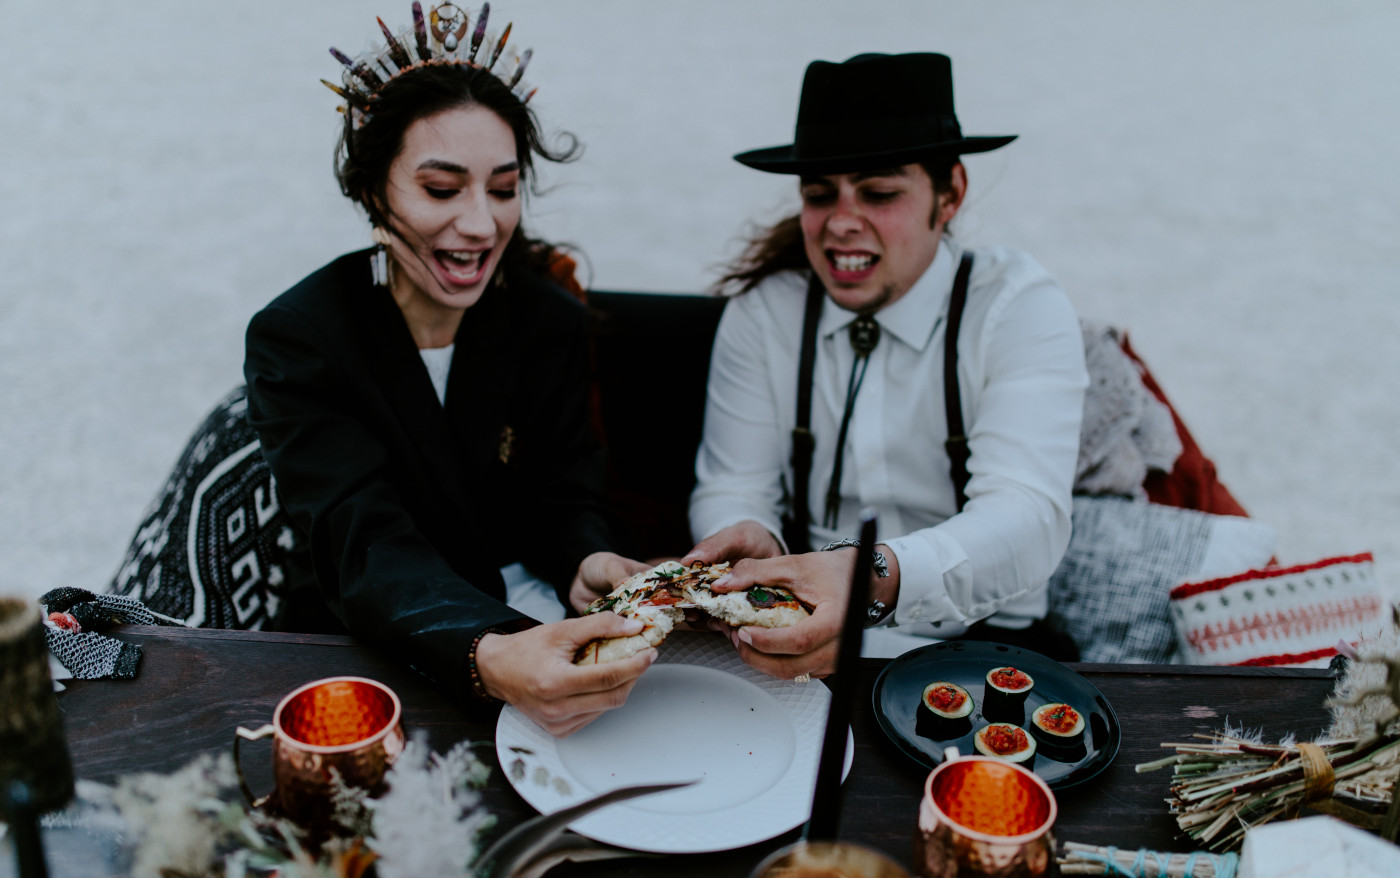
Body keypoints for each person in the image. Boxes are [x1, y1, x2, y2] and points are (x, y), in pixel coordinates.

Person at [244, 4, 650, 737]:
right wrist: (487, 650)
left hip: (535, 621)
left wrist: (584, 557)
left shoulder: (546, 319)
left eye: (502, 188)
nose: (480, 224)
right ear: (374, 191)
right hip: (364, 648)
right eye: (441, 189)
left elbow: (566, 487)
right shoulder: (301, 337)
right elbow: (361, 542)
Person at [683, 52, 1088, 678]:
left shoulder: (1017, 306)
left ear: (950, 192)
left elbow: (1028, 520)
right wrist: (752, 539)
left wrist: (871, 577)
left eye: (879, 192)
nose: (841, 223)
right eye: (819, 195)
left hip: (985, 643)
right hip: (796, 631)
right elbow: (733, 484)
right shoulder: (765, 314)